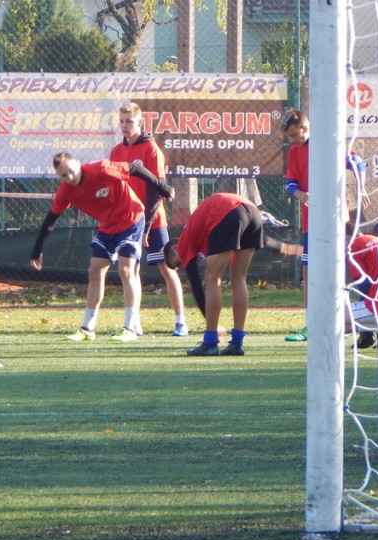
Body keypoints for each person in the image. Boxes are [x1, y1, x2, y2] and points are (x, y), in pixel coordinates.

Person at [30, 152, 174, 342]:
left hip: (131, 219)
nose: (70, 178)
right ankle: (87, 328)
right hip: (107, 227)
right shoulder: (66, 190)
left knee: (126, 270)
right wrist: (37, 248)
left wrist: (163, 187)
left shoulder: (102, 169)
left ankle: (130, 328)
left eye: (72, 171)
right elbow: (51, 219)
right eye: (64, 175)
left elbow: (136, 168)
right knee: (95, 270)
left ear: (79, 164)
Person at [163, 193, 301, 356]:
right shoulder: (201, 232)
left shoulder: (183, 242)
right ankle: (236, 343)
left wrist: (210, 321)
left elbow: (197, 286)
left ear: (174, 249)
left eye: (178, 263)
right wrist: (278, 245)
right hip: (251, 212)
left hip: (228, 211)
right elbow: (242, 222)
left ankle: (210, 342)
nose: (184, 264)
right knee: (239, 278)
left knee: (212, 278)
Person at [279, 108, 368, 342]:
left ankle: (352, 320)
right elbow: (289, 183)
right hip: (311, 221)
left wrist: (361, 188)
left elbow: (358, 163)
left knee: (342, 268)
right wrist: (300, 194)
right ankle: (310, 324)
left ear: (305, 128)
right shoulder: (293, 152)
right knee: (309, 271)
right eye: (288, 137)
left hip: (336, 218)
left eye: (293, 135)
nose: (291, 140)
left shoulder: (329, 144)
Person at [109, 103, 187, 337]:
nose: (125, 126)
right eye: (122, 121)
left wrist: (148, 225)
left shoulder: (151, 150)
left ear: (140, 122)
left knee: (167, 268)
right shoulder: (116, 152)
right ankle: (134, 323)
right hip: (129, 221)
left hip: (153, 220)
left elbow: (157, 191)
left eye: (129, 122)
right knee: (131, 269)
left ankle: (180, 322)